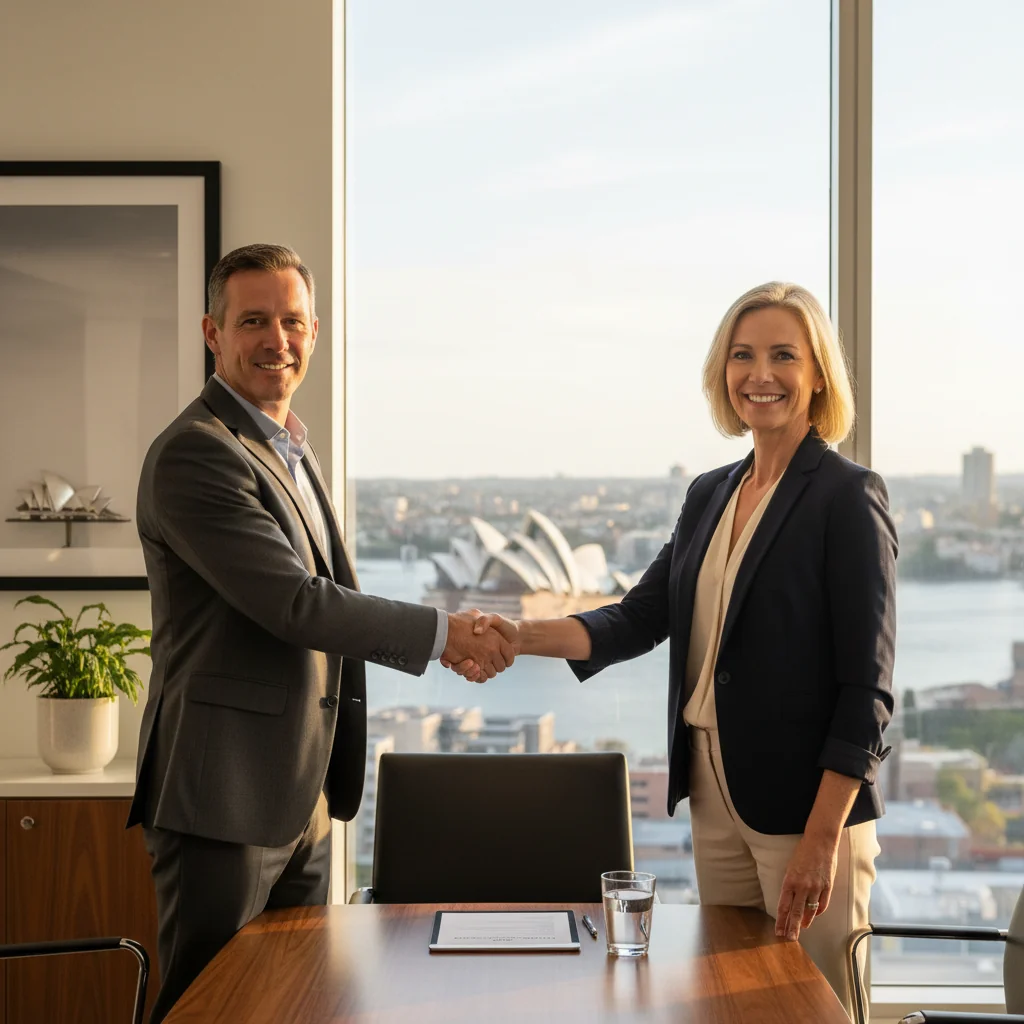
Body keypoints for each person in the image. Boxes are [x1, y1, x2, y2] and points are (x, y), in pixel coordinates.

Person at [450, 281, 896, 1019]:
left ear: (818, 373)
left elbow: (868, 692)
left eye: (783, 355)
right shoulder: (710, 494)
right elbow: (638, 617)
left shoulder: (846, 496)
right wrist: (514, 637)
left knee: (815, 1008)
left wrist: (822, 841)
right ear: (722, 373)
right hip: (714, 796)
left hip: (805, 811)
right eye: (742, 355)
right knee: (731, 1003)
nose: (760, 374)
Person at [129, 243, 514, 1023]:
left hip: (299, 793)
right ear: (213, 331)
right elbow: (298, 605)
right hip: (222, 797)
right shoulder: (197, 454)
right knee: (209, 1006)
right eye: (254, 321)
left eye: (293, 321)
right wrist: (447, 635)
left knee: (292, 1004)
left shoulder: (288, 448)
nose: (278, 339)